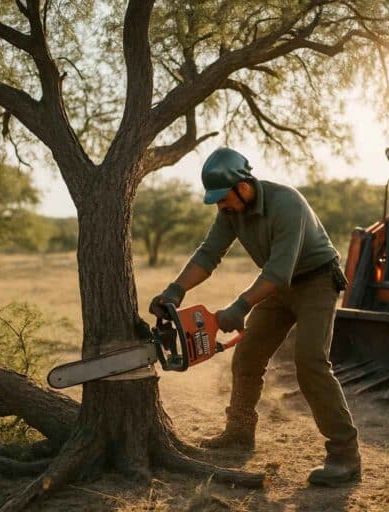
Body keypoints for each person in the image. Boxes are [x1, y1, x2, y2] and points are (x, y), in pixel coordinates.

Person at [149, 147, 360, 486]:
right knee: (248, 355)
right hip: (279, 287)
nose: (220, 206)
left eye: (223, 198)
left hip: (317, 282)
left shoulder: (286, 204)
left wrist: (240, 306)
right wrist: (175, 290)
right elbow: (209, 254)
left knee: (310, 361)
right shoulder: (231, 211)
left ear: (244, 186)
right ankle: (239, 433)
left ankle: (345, 455)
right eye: (216, 201)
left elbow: (278, 272)